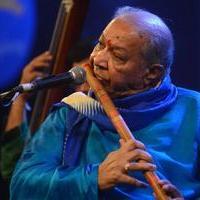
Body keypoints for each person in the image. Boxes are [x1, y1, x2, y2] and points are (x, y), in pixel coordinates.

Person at [10, 6, 200, 199]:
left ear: (151, 74)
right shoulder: (74, 111)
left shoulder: (195, 110)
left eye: (117, 56)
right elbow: (20, 187)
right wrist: (95, 177)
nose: (97, 59)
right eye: (100, 45)